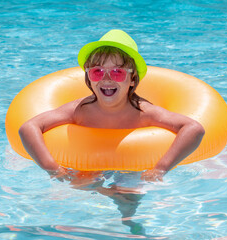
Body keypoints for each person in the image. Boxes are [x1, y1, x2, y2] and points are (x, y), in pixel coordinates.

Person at [18, 29, 205, 183]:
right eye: (98, 72)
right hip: (90, 162)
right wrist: (53, 169)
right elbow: (29, 127)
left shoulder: (143, 112)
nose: (106, 79)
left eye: (117, 72)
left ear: (132, 80)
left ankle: (130, 224)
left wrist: (160, 169)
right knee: (79, 185)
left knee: (127, 195)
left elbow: (193, 128)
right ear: (89, 78)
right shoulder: (81, 110)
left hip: (132, 165)